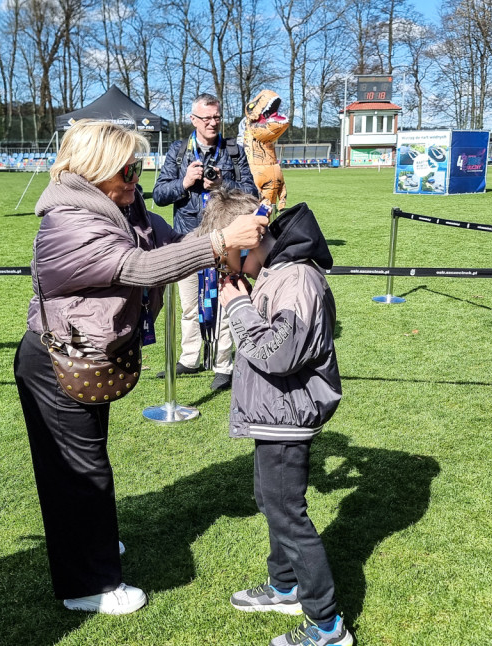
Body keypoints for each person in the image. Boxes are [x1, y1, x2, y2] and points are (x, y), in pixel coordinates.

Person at [14, 119, 267, 615]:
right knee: (77, 474)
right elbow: (140, 267)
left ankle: (91, 542)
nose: (137, 177)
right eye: (128, 168)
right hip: (56, 361)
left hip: (85, 354)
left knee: (85, 466)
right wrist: (218, 245)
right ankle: (89, 583)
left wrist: (234, 226)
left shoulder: (119, 205)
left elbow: (173, 242)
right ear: (96, 169)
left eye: (138, 166)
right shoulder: (69, 220)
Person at [207, 188, 352, 646]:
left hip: (289, 414)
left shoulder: (295, 279)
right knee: (270, 501)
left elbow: (278, 352)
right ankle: (285, 585)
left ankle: (327, 625)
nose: (224, 266)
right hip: (275, 411)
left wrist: (237, 305)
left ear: (249, 240)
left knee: (288, 513)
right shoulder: (274, 269)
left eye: (226, 255)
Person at [153, 93, 259, 391]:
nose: (213, 123)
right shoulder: (177, 152)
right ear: (193, 120)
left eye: (217, 117)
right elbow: (159, 195)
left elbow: (252, 194)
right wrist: (184, 182)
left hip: (226, 235)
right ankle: (189, 358)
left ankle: (223, 365)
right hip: (187, 237)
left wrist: (223, 184)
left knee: (224, 301)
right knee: (189, 303)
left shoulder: (234, 152)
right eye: (206, 118)